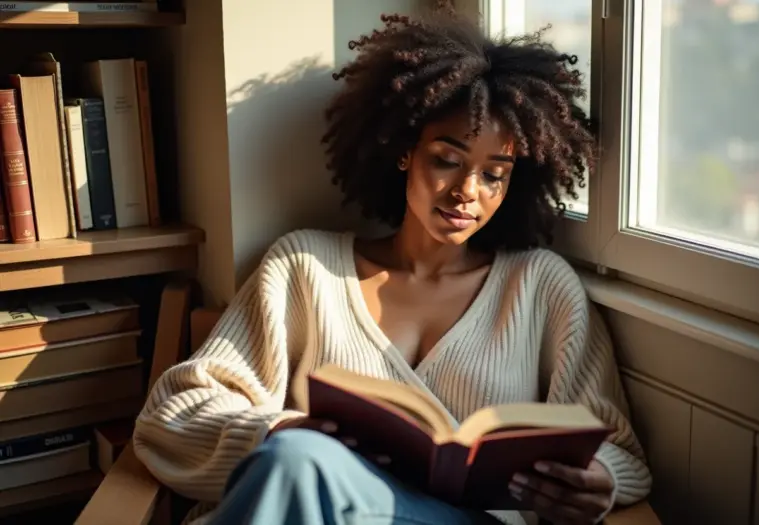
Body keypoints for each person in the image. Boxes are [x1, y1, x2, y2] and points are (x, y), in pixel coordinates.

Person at [133, 4, 652, 525]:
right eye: (447, 160)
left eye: (494, 174)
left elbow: (618, 451)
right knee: (296, 461)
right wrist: (276, 430)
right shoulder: (304, 268)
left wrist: (597, 484)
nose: (467, 192)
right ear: (406, 150)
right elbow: (167, 420)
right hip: (318, 504)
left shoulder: (540, 286)